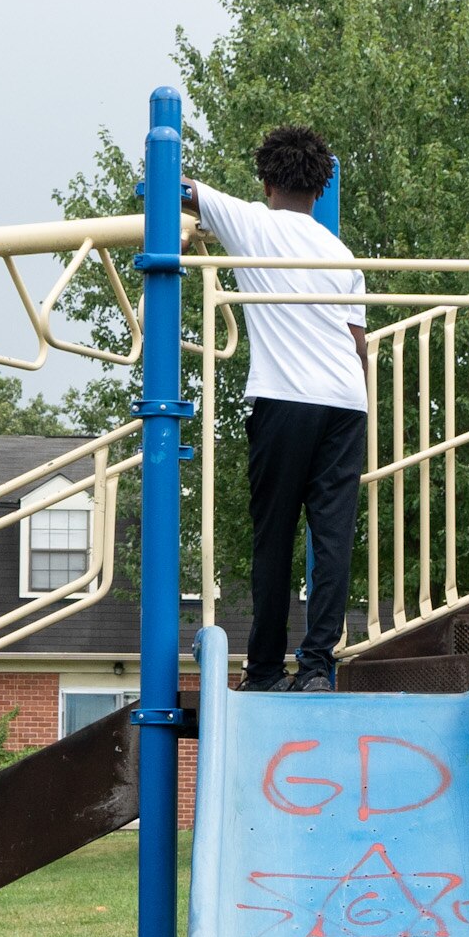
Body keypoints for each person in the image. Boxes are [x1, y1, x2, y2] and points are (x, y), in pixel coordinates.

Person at [185, 126, 366, 693]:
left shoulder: (250, 220)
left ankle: (263, 669)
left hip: (284, 399)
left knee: (274, 534)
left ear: (266, 183)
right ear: (319, 190)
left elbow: (170, 186)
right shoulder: (340, 254)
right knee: (332, 538)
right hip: (345, 402)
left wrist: (188, 225)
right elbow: (359, 343)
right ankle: (316, 667)